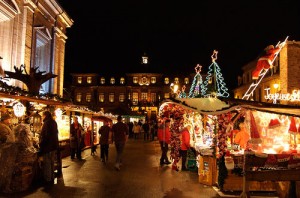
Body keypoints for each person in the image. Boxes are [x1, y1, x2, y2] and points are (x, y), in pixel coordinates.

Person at [39, 111, 59, 185]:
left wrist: (41, 144)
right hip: (53, 146)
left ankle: (48, 179)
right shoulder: (54, 122)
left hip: (48, 147)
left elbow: (46, 136)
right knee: (51, 162)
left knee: (47, 163)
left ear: (45, 116)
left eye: (42, 116)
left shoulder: (46, 123)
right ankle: (52, 177)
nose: (42, 117)